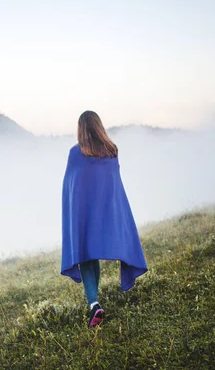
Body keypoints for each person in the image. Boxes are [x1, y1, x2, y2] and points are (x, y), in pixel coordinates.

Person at [61, 110, 148, 328]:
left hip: (86, 217)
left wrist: (75, 218)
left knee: (87, 257)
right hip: (106, 215)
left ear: (81, 129)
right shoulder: (111, 152)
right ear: (99, 127)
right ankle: (94, 304)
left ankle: (94, 304)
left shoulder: (75, 153)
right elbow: (113, 187)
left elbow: (71, 190)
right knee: (91, 256)